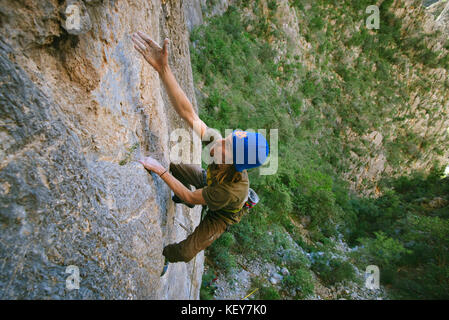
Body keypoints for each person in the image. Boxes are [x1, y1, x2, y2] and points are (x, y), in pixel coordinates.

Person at [131, 31, 269, 276]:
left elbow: (192, 196)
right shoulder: (222, 149)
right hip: (212, 182)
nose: (219, 143)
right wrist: (164, 70)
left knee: (186, 252)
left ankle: (166, 257)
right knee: (176, 168)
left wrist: (158, 170)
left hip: (222, 213)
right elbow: (189, 113)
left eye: (227, 147)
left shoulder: (231, 191)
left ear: (234, 162)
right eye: (228, 137)